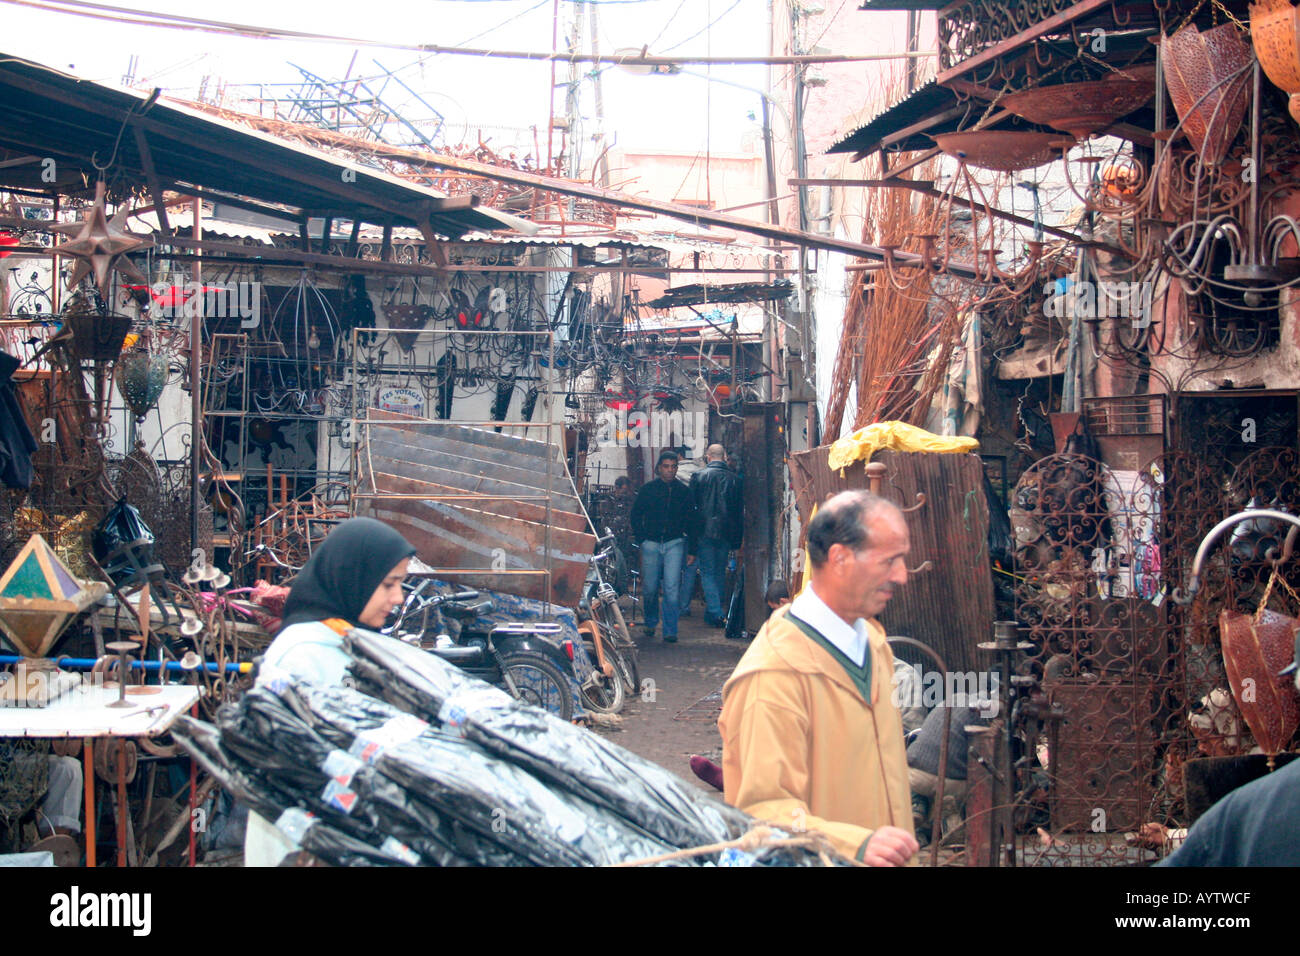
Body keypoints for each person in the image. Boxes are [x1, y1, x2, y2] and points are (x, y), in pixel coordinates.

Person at [718, 490, 918, 865]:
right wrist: (852, 844)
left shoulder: (873, 642)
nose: (902, 575)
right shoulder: (773, 677)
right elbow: (763, 814)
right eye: (889, 561)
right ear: (839, 558)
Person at [245, 516, 415, 865]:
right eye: (389, 584)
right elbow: (290, 768)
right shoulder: (303, 655)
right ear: (354, 579)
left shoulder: (347, 641)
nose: (398, 597)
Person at [1160, 632, 1300, 866]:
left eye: (1209, 738)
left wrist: (1169, 838)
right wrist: (1174, 781)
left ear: (1229, 730)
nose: (1202, 748)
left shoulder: (1267, 764)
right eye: (1198, 740)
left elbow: (1232, 832)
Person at [629, 450, 695, 643]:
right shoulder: (648, 490)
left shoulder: (683, 492)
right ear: (659, 468)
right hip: (650, 543)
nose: (670, 470)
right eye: (666, 466)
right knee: (649, 587)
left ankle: (670, 630)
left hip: (675, 543)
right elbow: (635, 515)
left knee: (672, 587)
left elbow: (692, 521)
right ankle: (650, 621)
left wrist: (692, 549)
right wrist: (642, 538)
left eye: (673, 467)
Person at [686, 444, 743, 627]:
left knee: (708, 572)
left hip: (704, 531)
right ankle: (714, 612)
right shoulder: (734, 479)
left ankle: (716, 612)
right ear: (725, 456)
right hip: (726, 532)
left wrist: (692, 537)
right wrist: (737, 539)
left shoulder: (698, 477)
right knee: (718, 571)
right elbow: (737, 512)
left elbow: (692, 510)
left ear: (708, 456)